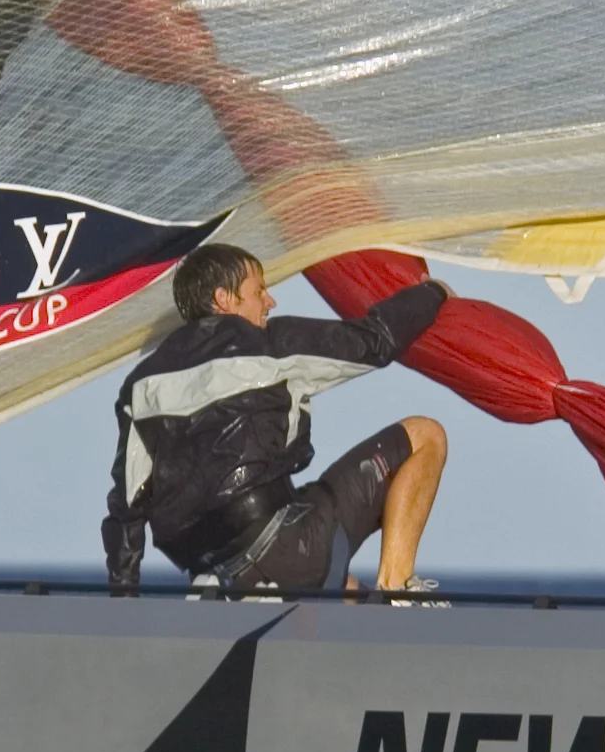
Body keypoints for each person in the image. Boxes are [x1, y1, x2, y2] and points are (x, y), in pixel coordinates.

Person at [105, 245, 450, 596]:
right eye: (258, 291)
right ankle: (399, 589)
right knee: (425, 435)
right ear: (224, 299)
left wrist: (125, 600)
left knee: (344, 591)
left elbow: (127, 509)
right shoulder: (266, 346)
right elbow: (374, 342)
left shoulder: (140, 387)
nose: (270, 302)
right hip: (288, 549)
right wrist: (433, 293)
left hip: (212, 573)